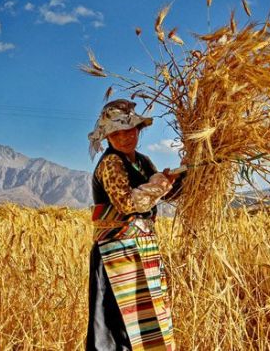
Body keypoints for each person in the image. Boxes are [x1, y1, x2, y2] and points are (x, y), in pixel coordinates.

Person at [86, 99, 185, 350]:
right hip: (116, 255)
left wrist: (184, 176)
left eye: (129, 130)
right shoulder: (111, 163)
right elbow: (127, 203)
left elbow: (164, 194)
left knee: (146, 320)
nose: (124, 137)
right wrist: (160, 183)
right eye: (116, 133)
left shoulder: (142, 161)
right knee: (117, 326)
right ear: (107, 137)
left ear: (138, 130)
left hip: (142, 250)